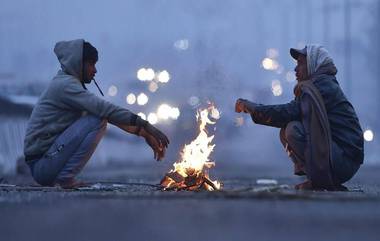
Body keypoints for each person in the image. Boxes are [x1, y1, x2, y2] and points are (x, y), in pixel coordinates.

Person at [24, 39, 169, 189]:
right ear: (78, 63)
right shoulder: (66, 86)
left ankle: (64, 177)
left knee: (99, 117)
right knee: (97, 120)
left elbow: (112, 116)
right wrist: (146, 125)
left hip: (45, 164)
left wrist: (143, 133)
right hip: (43, 166)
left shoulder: (69, 84)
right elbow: (105, 111)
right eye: (91, 64)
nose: (95, 70)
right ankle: (65, 178)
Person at [235, 45, 364, 190]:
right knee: (287, 129)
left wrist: (253, 108)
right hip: (340, 156)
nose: (296, 69)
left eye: (301, 64)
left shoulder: (321, 86)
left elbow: (288, 112)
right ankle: (319, 179)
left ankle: (321, 181)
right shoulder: (317, 85)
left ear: (313, 65)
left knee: (292, 129)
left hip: (344, 159)